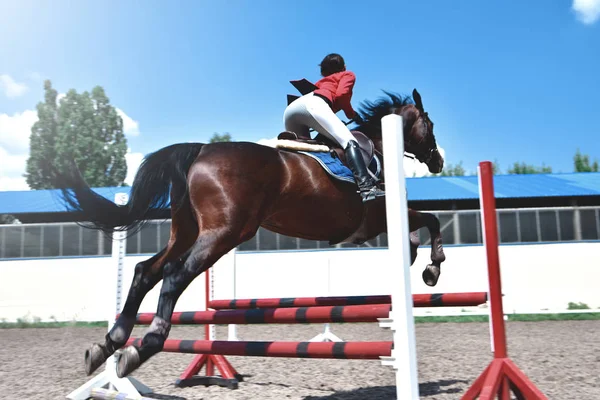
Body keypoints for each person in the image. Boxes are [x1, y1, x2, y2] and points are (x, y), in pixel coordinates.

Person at [283, 53, 385, 203]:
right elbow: (343, 95)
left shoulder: (321, 81)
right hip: (314, 105)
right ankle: (366, 188)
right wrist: (351, 114)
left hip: (292, 109)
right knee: (349, 142)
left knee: (304, 155)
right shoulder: (347, 74)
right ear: (343, 67)